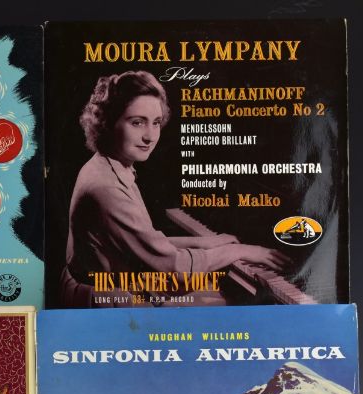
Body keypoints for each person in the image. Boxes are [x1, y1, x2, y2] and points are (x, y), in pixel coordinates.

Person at [61, 70, 290, 307]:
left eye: (156, 123)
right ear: (107, 123)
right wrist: (239, 251)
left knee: (223, 296)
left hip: (111, 286)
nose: (150, 136)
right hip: (104, 302)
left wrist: (203, 243)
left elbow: (145, 243)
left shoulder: (108, 165)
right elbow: (173, 269)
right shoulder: (106, 187)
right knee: (233, 305)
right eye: (137, 122)